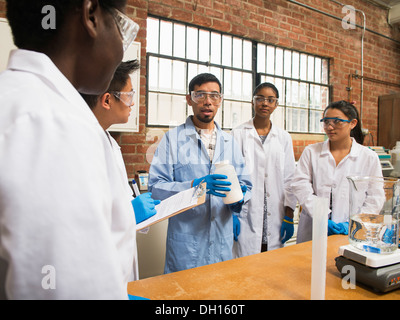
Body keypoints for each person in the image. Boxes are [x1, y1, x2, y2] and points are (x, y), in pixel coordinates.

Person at [0, 0, 140, 299]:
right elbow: (64, 288)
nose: (120, 48)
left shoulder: (16, 97)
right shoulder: (54, 120)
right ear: (91, 16)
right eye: (122, 27)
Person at [148, 73, 252, 273]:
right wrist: (195, 185)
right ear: (189, 99)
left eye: (214, 96)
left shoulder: (230, 142)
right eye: (200, 95)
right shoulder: (172, 140)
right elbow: (156, 188)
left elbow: (246, 184)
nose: (207, 102)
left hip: (222, 240)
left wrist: (241, 198)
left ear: (220, 101)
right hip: (187, 245)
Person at [81, 60, 160, 230]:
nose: (132, 103)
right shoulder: (80, 146)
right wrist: (129, 213)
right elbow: (80, 219)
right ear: (107, 100)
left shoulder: (109, 142)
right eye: (129, 95)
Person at [291, 100, 382, 243]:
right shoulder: (311, 152)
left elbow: (375, 197)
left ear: (352, 123)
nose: (330, 127)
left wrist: (354, 223)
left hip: (353, 230)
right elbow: (300, 185)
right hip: (313, 230)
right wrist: (321, 215)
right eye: (326, 121)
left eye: (337, 122)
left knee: (346, 264)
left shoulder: (369, 157)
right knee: (310, 263)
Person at [231, 82, 297, 256]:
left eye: (270, 99)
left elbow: (290, 179)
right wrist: (232, 213)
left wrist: (289, 216)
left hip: (275, 215)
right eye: (260, 98)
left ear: (276, 104)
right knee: (245, 266)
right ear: (252, 102)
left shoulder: (283, 138)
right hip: (246, 214)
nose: (264, 103)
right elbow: (231, 178)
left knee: (271, 265)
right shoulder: (237, 134)